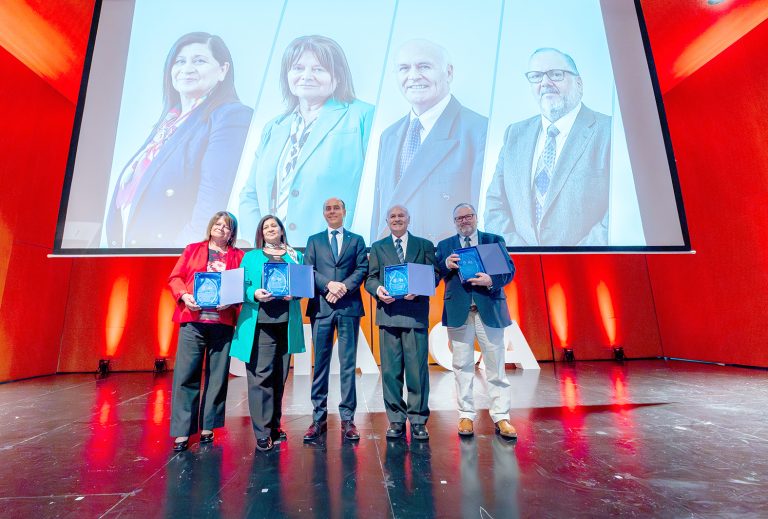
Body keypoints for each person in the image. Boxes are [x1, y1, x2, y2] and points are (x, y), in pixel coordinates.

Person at [105, 32, 252, 248]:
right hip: (132, 251)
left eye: (199, 61)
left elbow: (211, 200)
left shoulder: (229, 115)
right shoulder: (169, 121)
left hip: (173, 259)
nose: (187, 68)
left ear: (223, 70)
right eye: (180, 61)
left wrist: (183, 253)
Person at [239, 35, 375, 246]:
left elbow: (372, 192)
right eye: (298, 68)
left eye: (318, 69)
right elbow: (250, 195)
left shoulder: (363, 116)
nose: (306, 76)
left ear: (337, 76)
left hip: (331, 253)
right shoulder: (274, 127)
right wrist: (258, 243)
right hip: (274, 254)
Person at [484, 47, 612, 246]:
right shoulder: (514, 134)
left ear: (579, 83)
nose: (545, 82)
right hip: (523, 269)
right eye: (536, 76)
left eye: (555, 74)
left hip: (586, 268)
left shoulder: (609, 131)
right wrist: (525, 256)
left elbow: (616, 211)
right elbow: (495, 205)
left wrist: (573, 259)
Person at [370, 39, 488, 244]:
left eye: (424, 66)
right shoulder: (389, 135)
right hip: (392, 261)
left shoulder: (477, 129)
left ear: (449, 72)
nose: (413, 76)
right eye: (404, 68)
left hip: (446, 263)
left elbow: (481, 214)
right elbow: (380, 212)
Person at [435, 203, 517, 439]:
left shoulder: (492, 240)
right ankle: (466, 415)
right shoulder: (445, 246)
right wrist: (444, 265)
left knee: (495, 365)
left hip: (488, 309)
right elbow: (434, 274)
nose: (464, 221)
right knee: (461, 366)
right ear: (455, 222)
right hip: (459, 311)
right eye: (459, 218)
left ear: (476, 217)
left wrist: (490, 280)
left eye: (468, 216)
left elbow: (508, 272)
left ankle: (501, 417)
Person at [167, 211, 244, 451]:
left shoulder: (239, 256)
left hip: (222, 323)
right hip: (193, 321)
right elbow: (175, 278)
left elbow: (243, 284)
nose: (221, 228)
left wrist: (232, 300)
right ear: (211, 227)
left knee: (218, 377)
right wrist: (184, 296)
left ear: (232, 233)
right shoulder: (193, 249)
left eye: (227, 226)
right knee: (185, 376)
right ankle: (182, 431)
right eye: (218, 224)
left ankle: (209, 426)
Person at [230, 215, 306, 452]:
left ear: (282, 230)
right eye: (266, 226)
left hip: (287, 322)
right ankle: (262, 432)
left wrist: (295, 293)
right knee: (260, 376)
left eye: (275, 225)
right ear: (261, 233)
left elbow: (302, 285)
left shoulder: (295, 255)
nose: (271, 229)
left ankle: (274, 426)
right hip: (260, 323)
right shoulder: (251, 256)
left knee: (279, 377)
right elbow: (242, 285)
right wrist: (255, 293)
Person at [365, 205, 438, 440]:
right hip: (388, 314)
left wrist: (418, 288)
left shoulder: (424, 245)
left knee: (417, 371)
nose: (397, 219)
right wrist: (378, 290)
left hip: (415, 315)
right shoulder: (378, 247)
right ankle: (395, 420)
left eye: (401, 216)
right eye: (393, 216)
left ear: (409, 219)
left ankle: (418, 420)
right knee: (390, 371)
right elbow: (370, 278)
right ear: (387, 221)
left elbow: (434, 275)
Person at [303, 197, 368, 441]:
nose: (332, 211)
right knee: (320, 365)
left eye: (336, 208)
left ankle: (348, 419)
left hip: (349, 307)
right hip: (321, 307)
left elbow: (362, 269)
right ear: (323, 213)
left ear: (344, 211)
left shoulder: (357, 240)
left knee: (348, 365)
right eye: (328, 208)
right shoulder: (314, 241)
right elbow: (309, 269)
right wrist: (328, 285)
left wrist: (343, 287)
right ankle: (318, 419)